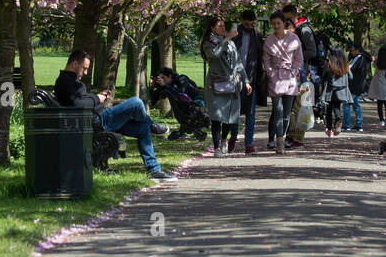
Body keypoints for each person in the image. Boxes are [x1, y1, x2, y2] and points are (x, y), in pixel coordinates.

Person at [55, 49, 176, 181]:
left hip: (98, 119)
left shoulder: (71, 81)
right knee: (136, 102)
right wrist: (98, 98)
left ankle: (154, 170)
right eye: (84, 68)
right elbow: (78, 104)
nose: (86, 72)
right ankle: (152, 125)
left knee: (142, 130)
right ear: (74, 64)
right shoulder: (65, 81)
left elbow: (81, 100)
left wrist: (98, 96)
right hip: (98, 121)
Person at [202, 16, 251, 156]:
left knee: (230, 117)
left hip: (232, 84)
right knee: (217, 117)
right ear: (212, 28)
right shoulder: (209, 42)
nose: (223, 28)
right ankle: (216, 147)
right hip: (216, 85)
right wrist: (226, 39)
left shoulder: (230, 43)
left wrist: (246, 80)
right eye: (219, 26)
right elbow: (214, 55)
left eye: (224, 25)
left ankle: (224, 140)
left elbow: (238, 63)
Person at [262, 12, 303, 154]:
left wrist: (294, 71)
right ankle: (279, 140)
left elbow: (299, 58)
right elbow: (266, 59)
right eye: (273, 24)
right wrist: (270, 72)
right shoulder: (269, 40)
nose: (276, 26)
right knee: (277, 110)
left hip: (290, 78)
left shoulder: (294, 38)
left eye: (278, 23)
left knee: (286, 113)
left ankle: (283, 135)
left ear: (284, 23)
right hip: (275, 78)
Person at [233, 10, 264, 154]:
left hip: (251, 79)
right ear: (241, 21)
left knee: (251, 113)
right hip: (235, 78)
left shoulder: (257, 36)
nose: (250, 26)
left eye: (252, 24)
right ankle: (232, 138)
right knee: (234, 111)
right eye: (247, 23)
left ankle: (249, 144)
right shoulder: (234, 34)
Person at [320, 46, 351, 137]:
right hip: (341, 91)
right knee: (337, 107)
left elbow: (324, 76)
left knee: (329, 110)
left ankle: (329, 130)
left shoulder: (329, 63)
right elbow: (351, 76)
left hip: (330, 90)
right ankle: (338, 119)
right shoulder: (345, 64)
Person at [345, 41, 372, 132]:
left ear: (357, 50)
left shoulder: (359, 57)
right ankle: (359, 124)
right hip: (360, 84)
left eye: (352, 50)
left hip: (354, 84)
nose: (351, 52)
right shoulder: (365, 58)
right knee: (356, 104)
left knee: (346, 104)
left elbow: (349, 68)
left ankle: (346, 125)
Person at [368, 45, 386, 126]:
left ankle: (381, 120)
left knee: (379, 104)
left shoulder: (377, 62)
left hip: (378, 86)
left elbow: (373, 66)